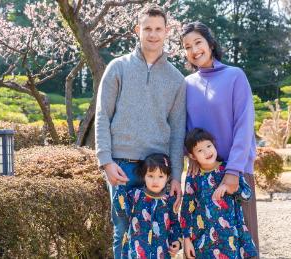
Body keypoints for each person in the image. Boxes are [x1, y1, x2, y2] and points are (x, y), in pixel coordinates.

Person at [94, 5, 186, 258]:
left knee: (157, 233)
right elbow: (102, 114)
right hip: (121, 166)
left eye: (158, 29)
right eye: (147, 29)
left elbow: (178, 132)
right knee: (122, 231)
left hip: (157, 169)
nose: (153, 34)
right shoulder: (117, 67)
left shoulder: (177, 79)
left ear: (167, 31)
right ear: (137, 30)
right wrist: (105, 161)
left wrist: (176, 175)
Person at [181, 21, 260, 256]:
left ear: (210, 43)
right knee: (207, 245)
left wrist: (233, 171)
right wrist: (191, 158)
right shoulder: (187, 84)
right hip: (203, 176)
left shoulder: (234, 76)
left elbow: (244, 126)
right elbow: (187, 129)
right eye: (187, 47)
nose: (194, 50)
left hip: (236, 174)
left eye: (198, 42)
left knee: (244, 244)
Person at [181, 128, 257, 259]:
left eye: (208, 146)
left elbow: (247, 194)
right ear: (192, 156)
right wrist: (186, 240)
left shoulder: (228, 170)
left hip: (230, 238)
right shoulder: (193, 177)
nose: (207, 152)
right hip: (203, 240)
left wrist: (229, 187)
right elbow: (186, 210)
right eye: (200, 150)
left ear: (214, 145)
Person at [113, 153, 182, 258]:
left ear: (167, 178)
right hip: (135, 253)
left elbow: (174, 222)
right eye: (150, 176)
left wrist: (177, 241)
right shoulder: (135, 195)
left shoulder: (169, 200)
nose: (155, 181)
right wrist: (120, 187)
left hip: (161, 253)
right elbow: (121, 211)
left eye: (160, 176)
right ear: (144, 176)